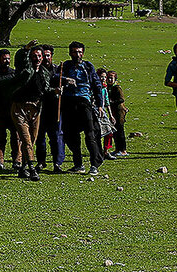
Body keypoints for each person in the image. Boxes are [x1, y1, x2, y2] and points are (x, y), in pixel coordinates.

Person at [4, 45, 51, 181]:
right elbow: (19, 60)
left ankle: (23, 167)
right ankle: (32, 168)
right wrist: (25, 50)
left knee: (33, 138)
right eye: (34, 56)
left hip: (35, 110)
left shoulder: (44, 73)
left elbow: (46, 89)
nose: (37, 58)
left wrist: (55, 91)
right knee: (26, 139)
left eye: (39, 56)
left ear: (42, 58)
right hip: (20, 108)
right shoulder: (25, 70)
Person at [58, 41, 104, 175]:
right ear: (70, 53)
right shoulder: (65, 66)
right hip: (68, 102)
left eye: (79, 52)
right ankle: (78, 164)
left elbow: (97, 85)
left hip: (84, 102)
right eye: (74, 52)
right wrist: (66, 79)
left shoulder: (88, 66)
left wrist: (100, 105)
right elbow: (56, 77)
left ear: (83, 53)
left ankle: (94, 164)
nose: (77, 54)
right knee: (70, 135)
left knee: (90, 134)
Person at [36, 45, 65, 172]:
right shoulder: (37, 71)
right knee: (40, 136)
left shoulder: (58, 71)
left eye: (48, 55)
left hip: (55, 108)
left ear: (51, 56)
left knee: (56, 136)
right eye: (44, 56)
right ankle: (41, 161)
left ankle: (57, 163)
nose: (46, 58)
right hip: (41, 108)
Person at [105, 70, 128, 157]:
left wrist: (112, 102)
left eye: (111, 78)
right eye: (108, 78)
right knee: (115, 131)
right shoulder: (108, 88)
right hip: (113, 111)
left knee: (120, 131)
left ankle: (123, 150)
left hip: (119, 112)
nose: (109, 80)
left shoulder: (117, 88)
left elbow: (122, 99)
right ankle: (117, 149)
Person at [96, 68, 117, 160]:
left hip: (103, 113)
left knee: (109, 132)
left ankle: (105, 151)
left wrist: (111, 115)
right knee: (98, 134)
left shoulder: (104, 88)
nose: (103, 79)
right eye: (101, 77)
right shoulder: (94, 88)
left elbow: (107, 102)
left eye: (105, 77)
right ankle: (98, 152)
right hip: (95, 112)